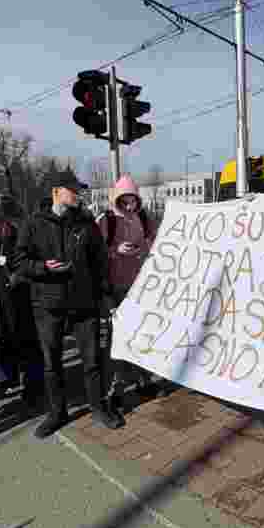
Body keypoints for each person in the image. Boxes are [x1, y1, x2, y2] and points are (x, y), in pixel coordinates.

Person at [15, 168, 123, 438]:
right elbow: (19, 262)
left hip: (83, 304)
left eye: (79, 191)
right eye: (73, 190)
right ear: (56, 192)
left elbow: (100, 264)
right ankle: (57, 413)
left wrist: (106, 299)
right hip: (47, 305)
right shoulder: (33, 223)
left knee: (92, 361)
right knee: (52, 363)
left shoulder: (87, 224)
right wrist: (43, 267)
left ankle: (98, 408)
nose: (78, 195)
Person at [97, 175, 160, 409]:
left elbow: (158, 242)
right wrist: (115, 250)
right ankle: (116, 387)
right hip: (115, 288)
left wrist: (142, 249)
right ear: (117, 200)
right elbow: (94, 253)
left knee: (141, 335)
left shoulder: (144, 218)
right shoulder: (106, 220)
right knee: (118, 339)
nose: (130, 206)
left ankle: (144, 380)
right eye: (125, 201)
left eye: (133, 201)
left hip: (140, 287)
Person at [0, 192, 42, 408]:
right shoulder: (2, 231)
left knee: (24, 340)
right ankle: (4, 377)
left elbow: (27, 260)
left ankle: (33, 385)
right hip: (4, 295)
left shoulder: (19, 229)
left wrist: (17, 277)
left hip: (21, 296)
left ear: (0, 211)